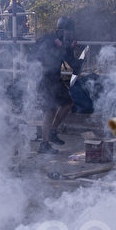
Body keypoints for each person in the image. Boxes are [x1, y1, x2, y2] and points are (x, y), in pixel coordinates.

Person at [30, 16, 83, 154]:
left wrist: (76, 65)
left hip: (56, 79)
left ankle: (52, 131)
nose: (70, 35)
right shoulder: (47, 41)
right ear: (60, 31)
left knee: (68, 103)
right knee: (50, 110)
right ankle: (44, 144)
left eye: (72, 32)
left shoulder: (67, 44)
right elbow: (36, 58)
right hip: (44, 79)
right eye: (68, 32)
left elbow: (69, 65)